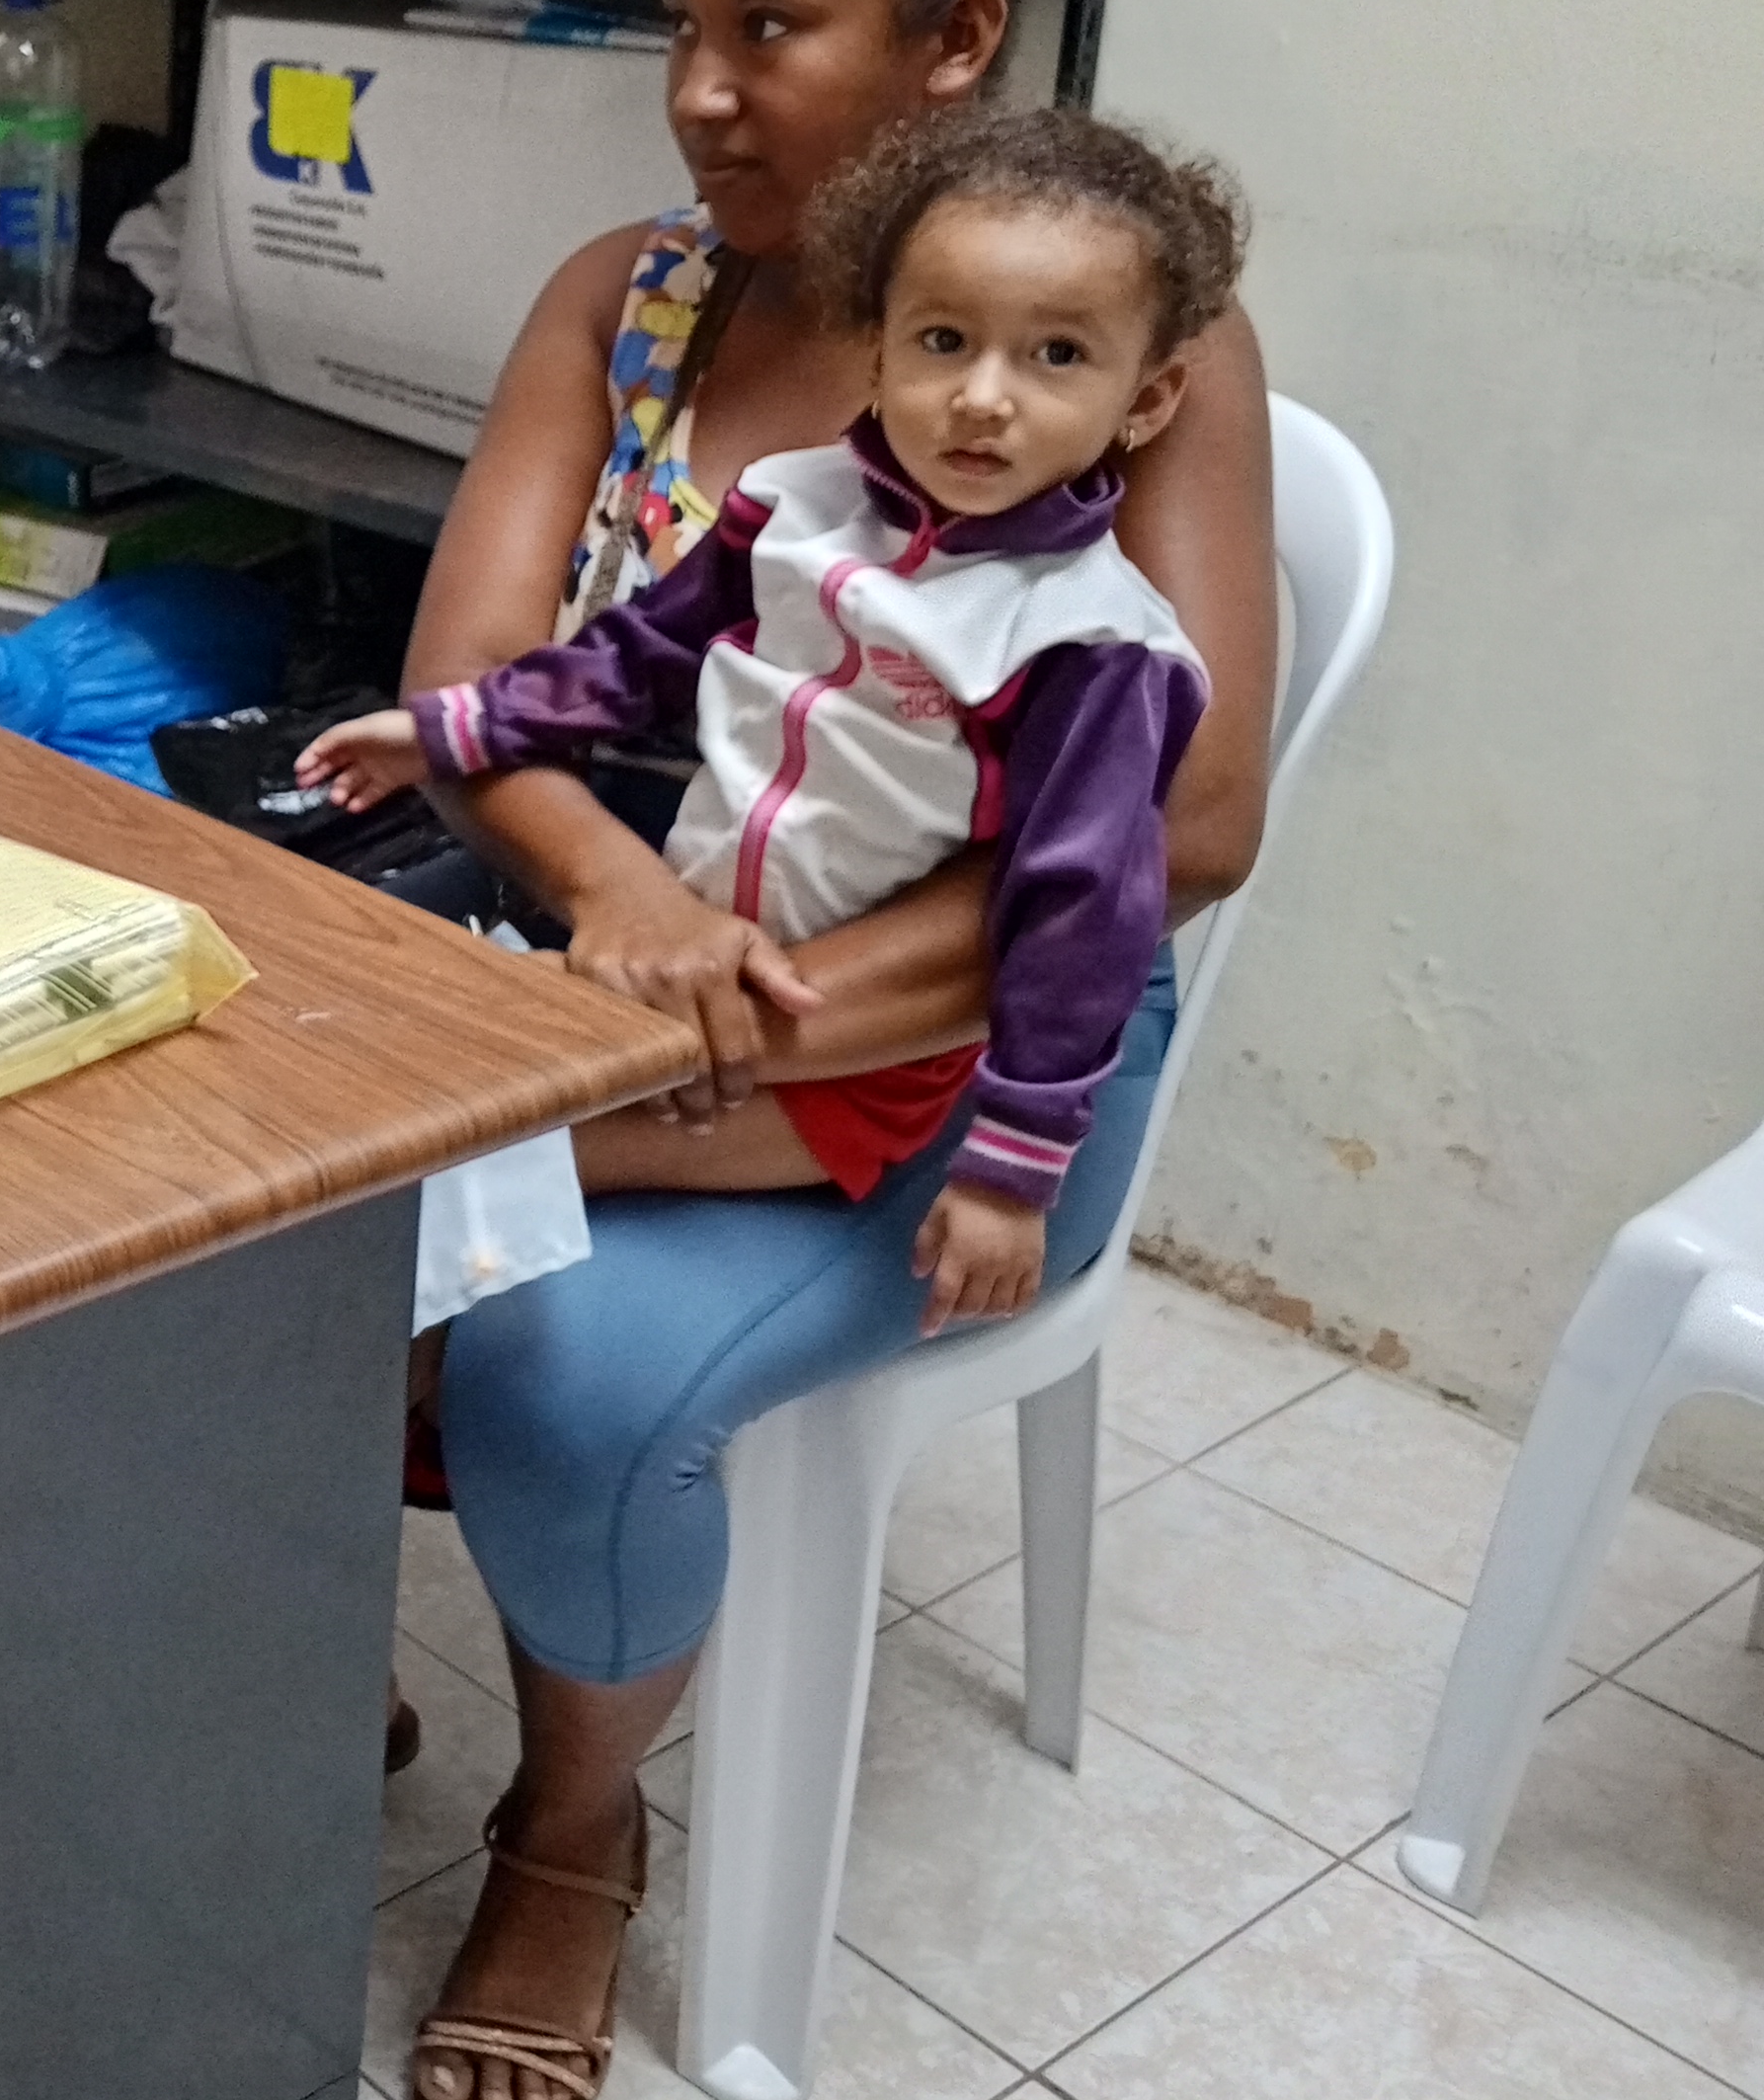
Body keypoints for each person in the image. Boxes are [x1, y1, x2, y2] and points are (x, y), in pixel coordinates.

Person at [290, 0, 1279, 2100]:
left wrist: (743, 1014)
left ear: (952, 43)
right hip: (642, 940)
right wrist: (628, 916)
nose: (700, 93)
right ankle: (299, 1645)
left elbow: (1188, 821)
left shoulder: (1113, 353)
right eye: (680, 27)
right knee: (238, 1180)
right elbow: (488, 678)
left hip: (993, 1041)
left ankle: (572, 1828)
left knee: (554, 1351)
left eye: (767, 29)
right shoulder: (622, 301)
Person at [312, 103, 1242, 1326]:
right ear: (875, 352)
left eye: (1054, 357)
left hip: (854, 1064)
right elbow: (639, 654)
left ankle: (371, 1408)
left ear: (1147, 398)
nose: (982, 398)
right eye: (943, 341)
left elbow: (1081, 911)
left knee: (427, 1176)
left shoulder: (1093, 645)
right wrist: (456, 729)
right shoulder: (793, 508)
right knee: (361, 1120)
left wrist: (1010, 1174)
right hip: (686, 962)